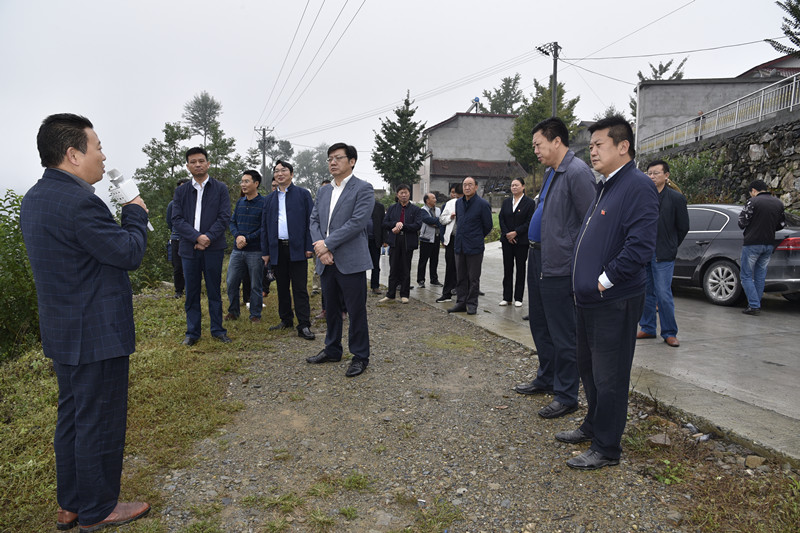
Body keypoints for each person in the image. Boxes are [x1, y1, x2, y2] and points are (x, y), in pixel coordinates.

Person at [20, 113, 151, 531]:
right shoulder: (80, 203)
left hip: (63, 331)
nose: (103, 156)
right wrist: (134, 212)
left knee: (73, 417)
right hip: (96, 333)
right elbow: (127, 252)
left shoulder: (36, 198)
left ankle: (72, 504)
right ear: (73, 154)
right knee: (100, 420)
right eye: (98, 147)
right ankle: (98, 509)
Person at [557, 115, 658, 470]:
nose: (593, 151)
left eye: (599, 144)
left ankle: (606, 447)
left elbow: (640, 246)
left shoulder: (637, 186)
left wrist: (604, 280)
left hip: (613, 300)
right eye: (591, 145)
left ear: (623, 146)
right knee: (589, 369)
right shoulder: (606, 186)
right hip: (588, 300)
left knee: (609, 376)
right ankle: (593, 425)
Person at [514, 118, 596, 421]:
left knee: (563, 333)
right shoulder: (551, 173)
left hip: (561, 265)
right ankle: (546, 377)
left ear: (557, 141)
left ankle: (566, 395)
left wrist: (579, 265)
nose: (535, 150)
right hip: (538, 258)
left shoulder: (577, 173)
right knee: (540, 324)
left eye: (538, 144)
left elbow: (590, 224)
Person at [308, 143, 374, 377]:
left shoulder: (363, 188)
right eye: (330, 159)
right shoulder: (324, 191)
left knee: (356, 311)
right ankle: (332, 349)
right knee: (331, 309)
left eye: (338, 158)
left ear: (352, 161)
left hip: (350, 260)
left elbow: (357, 223)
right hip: (325, 260)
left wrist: (327, 244)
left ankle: (360, 356)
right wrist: (321, 249)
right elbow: (314, 221)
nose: (332, 162)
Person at [171, 147, 232, 345]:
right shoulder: (181, 191)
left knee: (214, 290)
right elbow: (177, 219)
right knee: (192, 292)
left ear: (208, 163)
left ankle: (218, 330)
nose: (197, 165)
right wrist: (197, 237)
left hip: (213, 248)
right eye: (193, 162)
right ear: (188, 166)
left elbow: (224, 216)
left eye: (201, 161)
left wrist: (208, 238)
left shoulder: (220, 188)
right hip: (188, 249)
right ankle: (192, 333)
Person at [637, 160, 690, 345]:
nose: (652, 176)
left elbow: (683, 227)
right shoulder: (643, 197)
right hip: (645, 253)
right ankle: (647, 328)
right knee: (646, 292)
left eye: (656, 173)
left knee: (663, 294)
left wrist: (671, 245)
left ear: (666, 176)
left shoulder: (676, 198)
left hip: (664, 255)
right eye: (649, 173)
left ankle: (669, 332)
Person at [262, 160, 316, 340]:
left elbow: (311, 221)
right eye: (276, 171)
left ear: (291, 174)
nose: (279, 173)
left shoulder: (303, 194)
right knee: (282, 287)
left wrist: (309, 246)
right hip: (277, 249)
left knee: (300, 288)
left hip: (298, 249)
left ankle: (304, 324)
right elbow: (264, 227)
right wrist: (266, 251)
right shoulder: (269, 199)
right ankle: (286, 320)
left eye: (283, 170)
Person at [738, 179, 786, 315]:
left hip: (752, 243)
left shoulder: (752, 202)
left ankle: (754, 306)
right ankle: (755, 304)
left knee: (746, 276)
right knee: (760, 276)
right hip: (769, 243)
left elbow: (742, 222)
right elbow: (782, 224)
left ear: (753, 190)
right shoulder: (778, 203)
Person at [223, 170, 266, 323]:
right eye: (242, 181)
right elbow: (232, 222)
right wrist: (238, 236)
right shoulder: (240, 202)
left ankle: (255, 314)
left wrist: (247, 238)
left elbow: (264, 227)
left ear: (256, 183)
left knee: (255, 284)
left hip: (255, 251)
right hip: (237, 250)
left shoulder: (264, 203)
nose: (243, 184)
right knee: (231, 282)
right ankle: (233, 311)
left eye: (246, 181)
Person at [448, 176, 493, 315]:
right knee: (460, 276)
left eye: (470, 185)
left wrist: (476, 237)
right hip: (460, 245)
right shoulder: (459, 203)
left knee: (473, 278)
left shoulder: (483, 204)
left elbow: (488, 226)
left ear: (476, 187)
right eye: (465, 185)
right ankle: (461, 302)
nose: (467, 187)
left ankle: (472, 304)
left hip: (474, 247)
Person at [380, 184, 422, 303]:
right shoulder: (392, 208)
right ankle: (390, 294)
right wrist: (395, 224)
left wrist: (402, 226)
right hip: (394, 241)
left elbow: (417, 225)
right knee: (393, 268)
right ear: (397, 195)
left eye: (406, 193)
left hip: (407, 241)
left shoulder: (416, 209)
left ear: (409, 194)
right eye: (401, 193)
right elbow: (385, 223)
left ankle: (404, 294)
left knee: (405, 268)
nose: (404, 195)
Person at [498, 178, 535, 307]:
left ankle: (518, 297)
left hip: (521, 241)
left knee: (520, 268)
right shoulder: (507, 202)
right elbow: (501, 218)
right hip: (507, 241)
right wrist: (507, 234)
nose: (514, 187)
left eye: (516, 185)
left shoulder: (529, 203)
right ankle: (506, 297)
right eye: (512, 185)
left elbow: (529, 221)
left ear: (523, 187)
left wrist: (516, 232)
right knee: (507, 268)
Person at [436, 184, 463, 303]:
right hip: (452, 238)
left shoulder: (474, 204)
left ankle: (463, 295)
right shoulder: (450, 203)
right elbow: (442, 220)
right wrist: (450, 217)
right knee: (450, 266)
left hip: (466, 240)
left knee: (465, 268)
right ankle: (446, 293)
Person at [166, 178, 190, 298]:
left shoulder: (194, 204)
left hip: (190, 238)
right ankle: (178, 291)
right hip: (176, 238)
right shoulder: (173, 204)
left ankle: (191, 288)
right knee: (177, 266)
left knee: (191, 265)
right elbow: (169, 222)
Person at [417, 193, 442, 289]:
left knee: (435, 260)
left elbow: (442, 220)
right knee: (423, 260)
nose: (435, 199)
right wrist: (437, 221)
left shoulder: (438, 210)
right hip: (426, 238)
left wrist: (436, 222)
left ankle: (434, 279)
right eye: (433, 198)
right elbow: (428, 220)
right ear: (427, 200)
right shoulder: (423, 210)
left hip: (436, 237)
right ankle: (421, 280)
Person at [368, 199, 386, 295]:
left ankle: (375, 286)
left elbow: (383, 224)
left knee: (375, 264)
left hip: (375, 240)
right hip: (361, 240)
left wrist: (385, 240)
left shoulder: (379, 207)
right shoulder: (358, 204)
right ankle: (360, 286)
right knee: (359, 265)